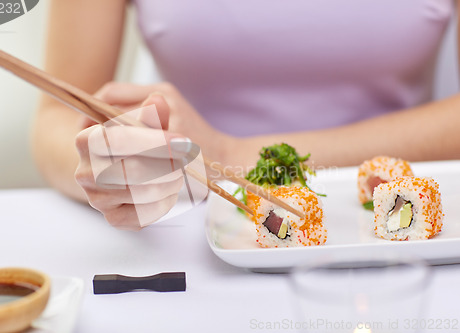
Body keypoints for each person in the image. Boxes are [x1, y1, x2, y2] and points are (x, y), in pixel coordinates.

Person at [32, 0, 460, 230]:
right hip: (184, 228)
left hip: (395, 228)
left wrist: (229, 153)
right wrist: (108, 164)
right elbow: (56, 117)